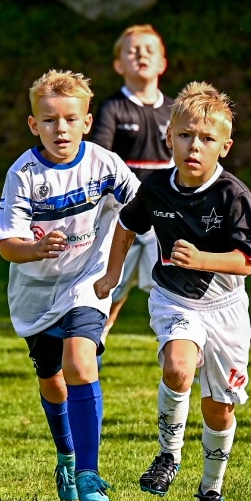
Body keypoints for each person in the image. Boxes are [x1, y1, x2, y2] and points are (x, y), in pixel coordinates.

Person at [96, 83, 251, 501]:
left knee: (219, 409)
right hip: (174, 297)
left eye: (207, 139)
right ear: (169, 137)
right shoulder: (154, 188)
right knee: (178, 367)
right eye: (185, 135)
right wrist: (113, 275)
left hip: (225, 307)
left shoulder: (233, 195)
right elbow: (126, 226)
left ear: (224, 146)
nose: (194, 146)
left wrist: (203, 258)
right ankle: (168, 455)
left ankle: (210, 488)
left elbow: (246, 261)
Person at [0, 70, 139, 501]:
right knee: (53, 382)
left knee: (80, 362)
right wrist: (35, 249)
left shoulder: (105, 164)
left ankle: (89, 472)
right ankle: (66, 454)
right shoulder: (23, 174)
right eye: (50, 120)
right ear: (33, 124)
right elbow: (7, 245)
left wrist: (117, 267)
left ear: (87, 121)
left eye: (70, 119)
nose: (61, 129)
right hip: (35, 293)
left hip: (86, 280)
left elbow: (140, 209)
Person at [89, 25, 174, 342]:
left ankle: (179, 352)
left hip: (161, 222)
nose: (141, 55)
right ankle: (93, 346)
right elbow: (99, 161)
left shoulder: (174, 110)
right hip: (121, 219)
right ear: (118, 65)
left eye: (149, 50)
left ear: (162, 63)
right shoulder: (112, 107)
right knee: (109, 292)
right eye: (132, 50)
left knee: (171, 292)